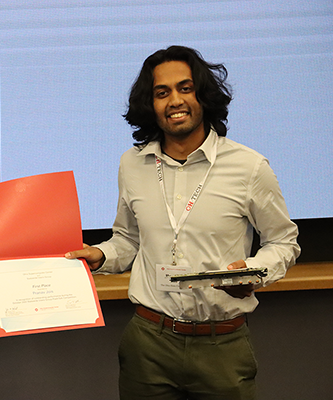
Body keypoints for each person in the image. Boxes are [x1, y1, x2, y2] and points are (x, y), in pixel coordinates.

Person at [66, 46, 300, 399]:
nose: (174, 100)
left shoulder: (249, 167)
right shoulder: (132, 164)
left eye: (185, 88)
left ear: (203, 96)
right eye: (162, 93)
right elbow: (128, 239)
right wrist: (99, 256)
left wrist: (250, 272)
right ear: (151, 104)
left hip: (221, 343)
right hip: (149, 341)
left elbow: (284, 242)